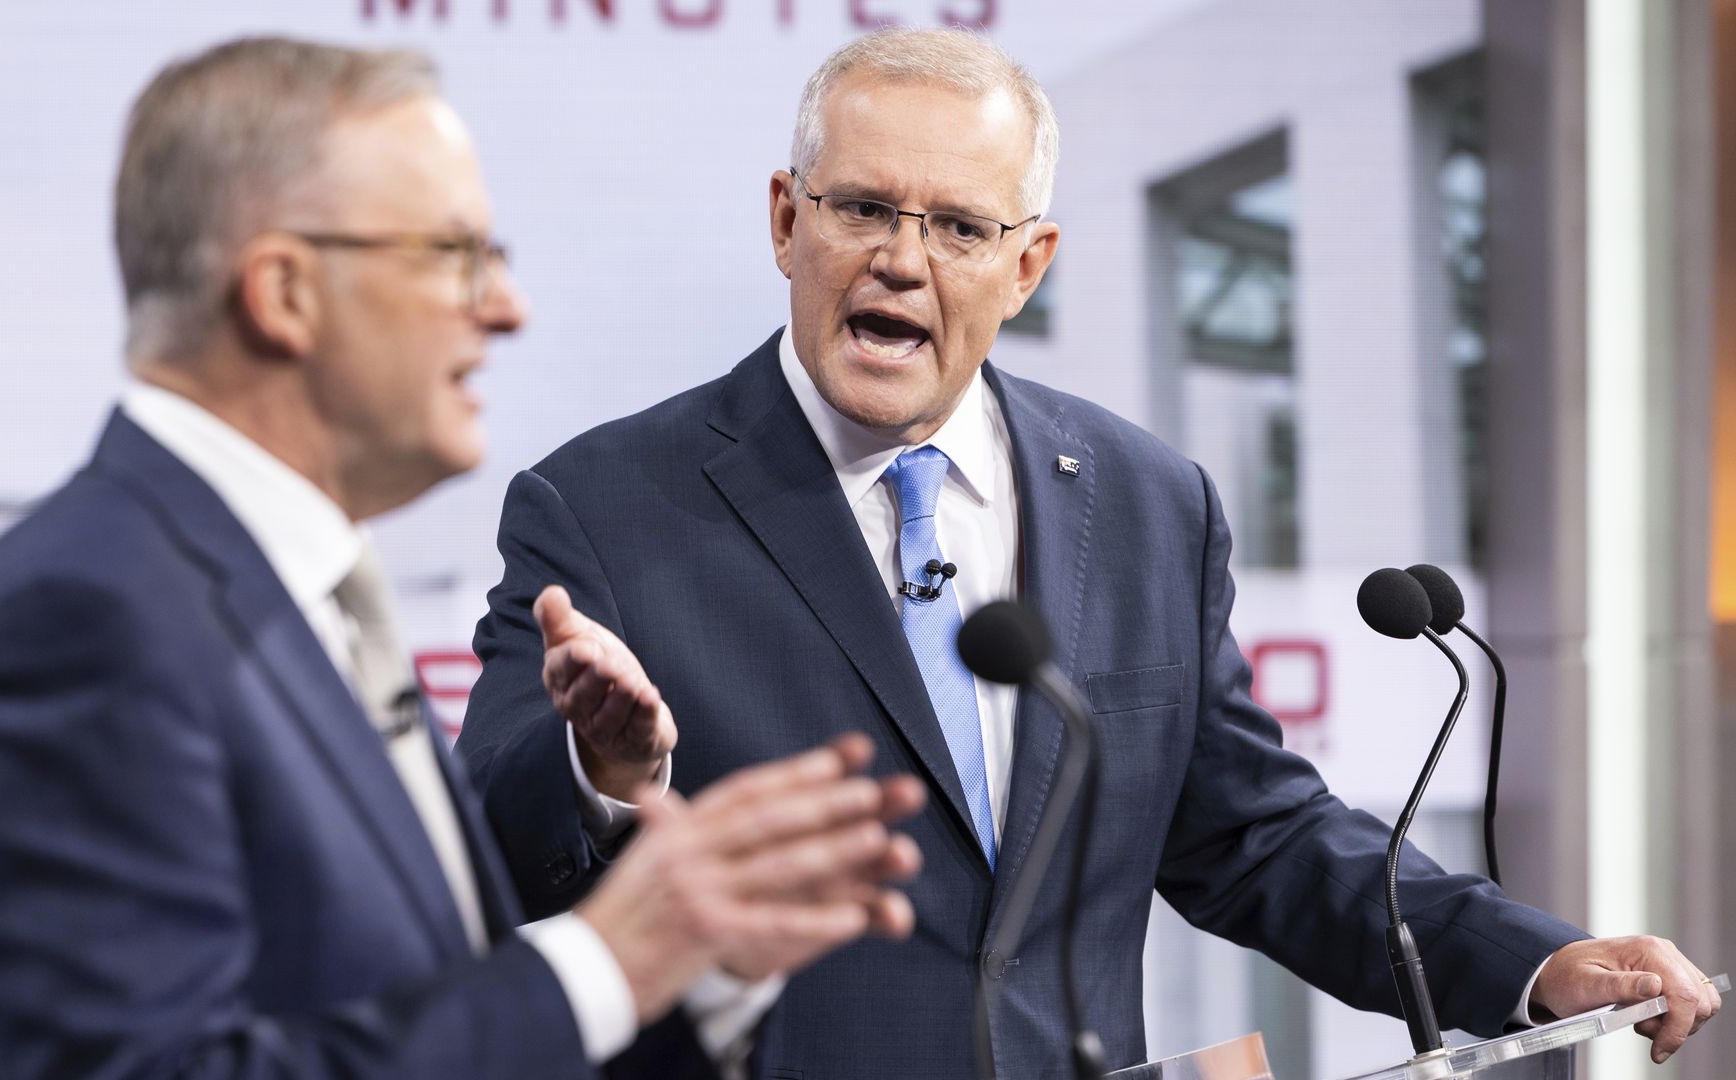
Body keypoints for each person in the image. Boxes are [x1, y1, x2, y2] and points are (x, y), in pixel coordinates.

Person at [457, 25, 1722, 1077]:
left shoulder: (1147, 500)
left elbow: (1253, 836)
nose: (903, 257)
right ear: (788, 222)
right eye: (861, 208)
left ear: (1028, 264)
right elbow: (483, 865)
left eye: (959, 226)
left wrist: (1530, 962)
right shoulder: (604, 504)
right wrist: (603, 775)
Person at [0, 37, 925, 1080]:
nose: (504, 308)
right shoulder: (83, 613)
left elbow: (435, 1019)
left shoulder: (294, 600)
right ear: (285, 293)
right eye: (453, 255)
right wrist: (603, 963)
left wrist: (698, 969)